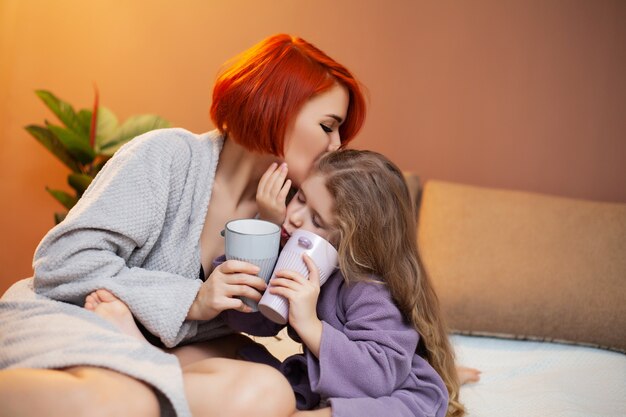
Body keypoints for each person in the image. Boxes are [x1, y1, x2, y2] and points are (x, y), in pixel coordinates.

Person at [0, 33, 366, 417]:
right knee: (121, 401)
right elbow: (61, 264)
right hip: (75, 317)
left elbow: (268, 322)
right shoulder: (168, 156)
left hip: (165, 345)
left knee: (271, 392)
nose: (336, 145)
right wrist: (192, 300)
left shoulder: (295, 213)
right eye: (328, 126)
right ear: (278, 107)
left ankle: (138, 369)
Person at [219, 149, 467, 417]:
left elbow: (378, 377)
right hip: (331, 379)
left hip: (388, 388)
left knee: (400, 408)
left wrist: (310, 325)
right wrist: (266, 227)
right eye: (300, 197)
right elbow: (251, 319)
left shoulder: (371, 290)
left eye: (317, 220)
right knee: (234, 352)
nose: (295, 217)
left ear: (352, 241)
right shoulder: (299, 259)